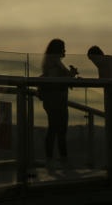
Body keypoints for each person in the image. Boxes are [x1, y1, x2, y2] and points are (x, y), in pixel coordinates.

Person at [38, 38, 78, 166]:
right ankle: (60, 158)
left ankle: (55, 158)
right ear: (58, 50)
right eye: (63, 48)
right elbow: (55, 80)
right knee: (58, 130)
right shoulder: (54, 63)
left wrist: (70, 75)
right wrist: (70, 75)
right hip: (56, 100)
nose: (65, 50)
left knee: (55, 129)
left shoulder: (52, 62)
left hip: (55, 100)